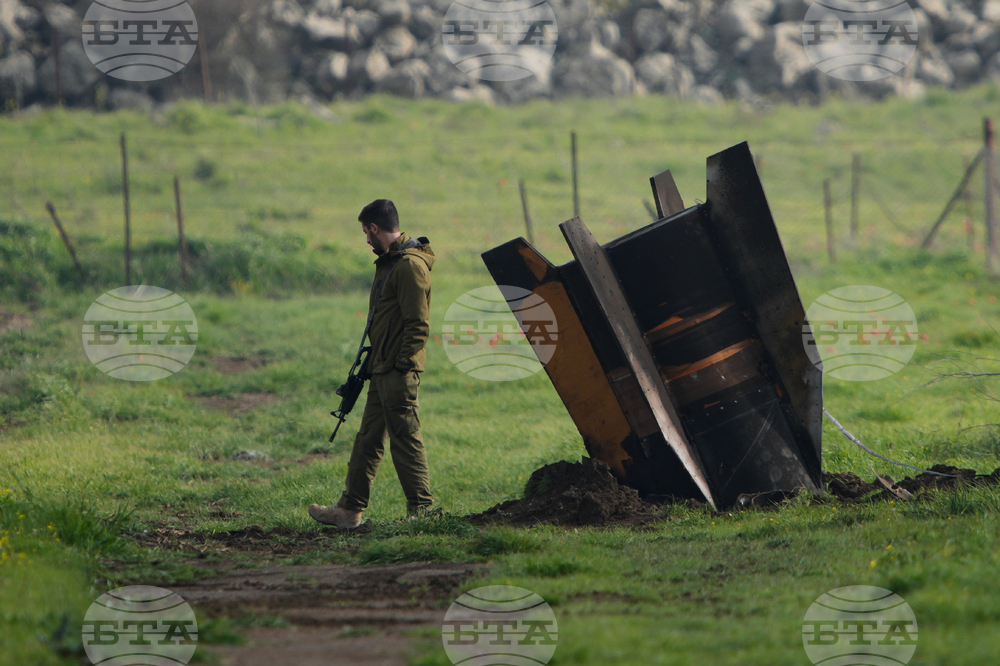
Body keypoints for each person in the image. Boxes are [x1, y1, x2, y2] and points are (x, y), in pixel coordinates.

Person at [309, 200, 435, 528]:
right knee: (368, 438)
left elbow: (418, 324)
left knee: (405, 437)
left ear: (376, 228)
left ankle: (422, 512)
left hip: (397, 371)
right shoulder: (391, 263)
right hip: (381, 368)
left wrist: (401, 364)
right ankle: (349, 510)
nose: (366, 240)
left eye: (367, 232)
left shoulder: (409, 266)